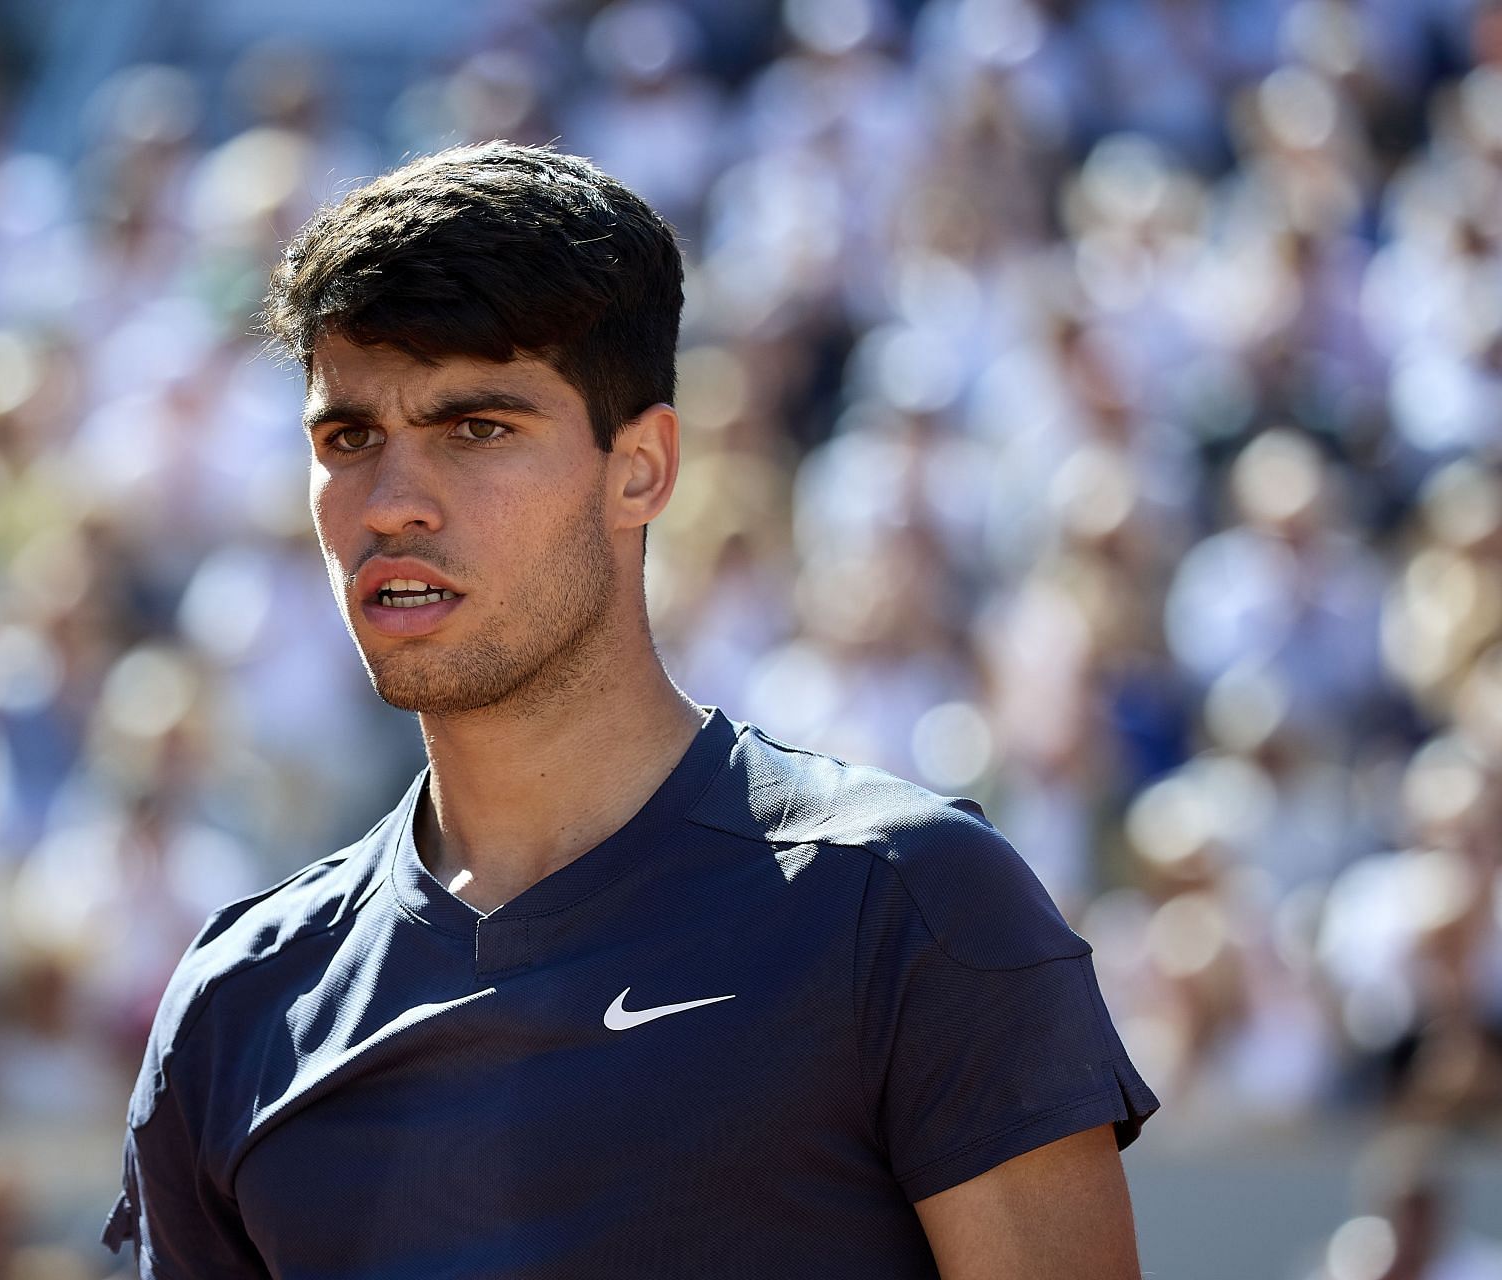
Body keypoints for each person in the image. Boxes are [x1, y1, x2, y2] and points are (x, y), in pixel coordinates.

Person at [102, 140, 1159, 1279]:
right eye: (349, 437)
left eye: (476, 428)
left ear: (642, 467)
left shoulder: (907, 905)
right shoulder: (237, 1004)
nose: (393, 504)